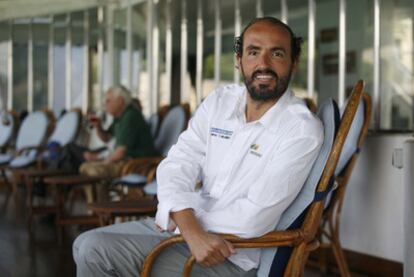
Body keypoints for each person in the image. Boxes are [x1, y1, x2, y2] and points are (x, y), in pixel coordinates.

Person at [73, 17, 324, 276]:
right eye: (253, 52)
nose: (263, 64)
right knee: (81, 243)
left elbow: (253, 219)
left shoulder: (300, 129)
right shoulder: (220, 102)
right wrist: (189, 226)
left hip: (232, 254)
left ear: (294, 62)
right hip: (187, 231)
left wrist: (184, 221)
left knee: (95, 250)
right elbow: (177, 163)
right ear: (238, 60)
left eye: (277, 53)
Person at [80, 85, 157, 202]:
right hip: (126, 162)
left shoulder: (130, 116)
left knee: (92, 170)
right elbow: (106, 138)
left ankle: (99, 209)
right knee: (85, 167)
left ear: (120, 101)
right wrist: (98, 127)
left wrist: (103, 162)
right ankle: (98, 208)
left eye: (108, 101)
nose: (105, 104)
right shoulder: (120, 117)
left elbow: (121, 152)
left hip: (136, 165)